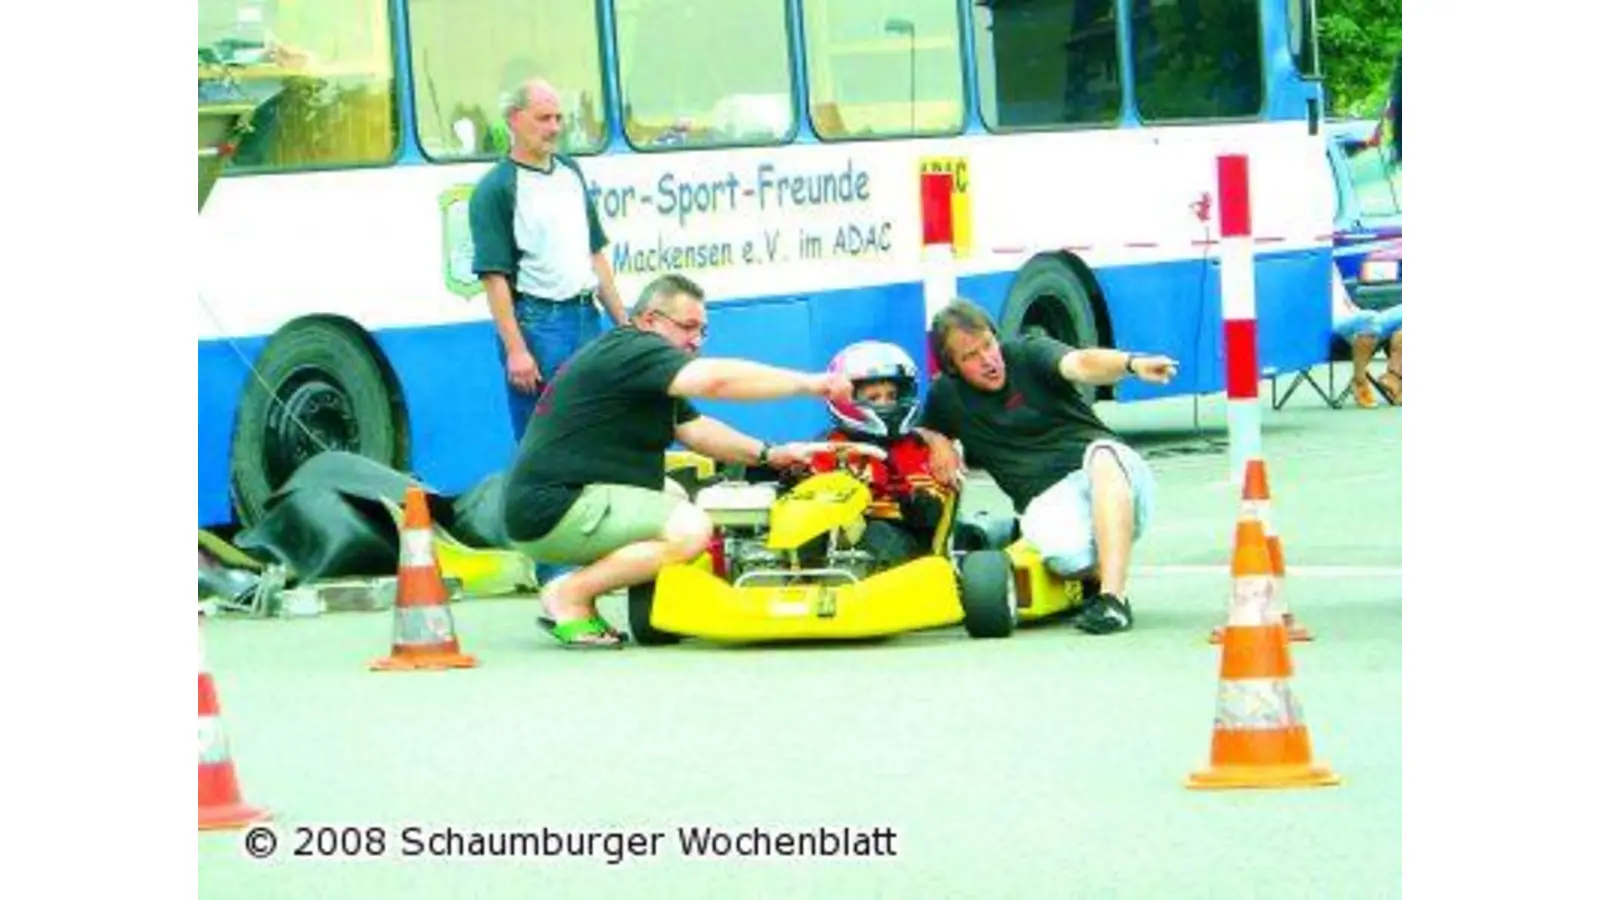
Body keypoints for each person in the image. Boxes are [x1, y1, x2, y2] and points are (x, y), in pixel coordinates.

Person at [502, 273, 853, 648]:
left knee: (673, 493)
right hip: (553, 507)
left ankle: (644, 606)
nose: (696, 341)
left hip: (549, 504)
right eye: (688, 327)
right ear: (651, 320)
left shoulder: (637, 363)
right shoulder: (633, 350)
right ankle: (570, 595)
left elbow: (696, 430)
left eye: (703, 330)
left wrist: (770, 453)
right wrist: (811, 384)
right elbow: (716, 381)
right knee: (691, 529)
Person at [917, 300, 1178, 635]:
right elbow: (923, 428)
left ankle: (1113, 600)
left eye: (988, 345)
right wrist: (937, 440)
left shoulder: (1027, 352)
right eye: (970, 356)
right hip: (1047, 498)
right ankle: (1097, 575)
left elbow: (1081, 363)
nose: (988, 361)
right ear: (952, 367)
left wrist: (1132, 363)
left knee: (1102, 456)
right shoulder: (946, 396)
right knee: (1065, 559)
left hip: (1109, 474)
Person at [469, 77, 629, 444]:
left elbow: (594, 254)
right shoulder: (495, 189)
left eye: (558, 118)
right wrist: (516, 350)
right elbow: (494, 279)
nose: (554, 128)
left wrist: (622, 321)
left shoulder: (570, 172)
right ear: (514, 119)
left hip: (588, 317)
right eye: (543, 118)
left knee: (593, 430)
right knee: (541, 439)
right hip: (540, 326)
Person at [807, 340, 954, 566]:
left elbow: (931, 516)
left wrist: (910, 497)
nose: (886, 404)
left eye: (891, 396)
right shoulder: (827, 447)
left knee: (879, 534)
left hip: (903, 541)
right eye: (874, 398)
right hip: (834, 538)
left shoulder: (917, 449)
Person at [1332, 266, 1402, 407]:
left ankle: (1393, 377)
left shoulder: (1329, 262)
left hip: (1353, 315)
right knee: (1368, 318)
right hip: (1329, 325)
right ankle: (1359, 380)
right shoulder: (1300, 262)